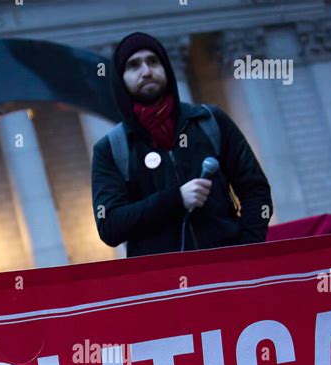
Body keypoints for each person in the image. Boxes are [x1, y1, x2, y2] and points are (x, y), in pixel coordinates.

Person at [91, 32, 274, 257]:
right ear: (121, 79)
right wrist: (175, 199)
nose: (146, 71)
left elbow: (255, 189)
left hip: (228, 272)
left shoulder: (210, 121)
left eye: (153, 61)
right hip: (164, 284)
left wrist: (246, 250)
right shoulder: (110, 149)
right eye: (133, 65)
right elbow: (109, 226)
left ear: (166, 67)